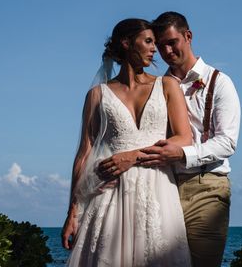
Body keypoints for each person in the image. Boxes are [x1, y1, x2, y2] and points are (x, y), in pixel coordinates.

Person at [61, 18, 193, 266]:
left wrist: (132, 156)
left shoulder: (167, 85)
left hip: (157, 191)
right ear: (126, 43)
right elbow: (84, 154)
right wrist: (72, 213)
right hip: (108, 195)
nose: (156, 49)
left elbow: (183, 137)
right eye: (149, 41)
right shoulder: (97, 95)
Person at [139, 12, 241, 267]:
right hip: (163, 186)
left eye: (172, 42)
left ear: (188, 36)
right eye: (160, 45)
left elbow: (227, 142)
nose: (166, 50)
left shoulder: (220, 82)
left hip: (207, 186)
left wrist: (183, 154)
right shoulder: (155, 86)